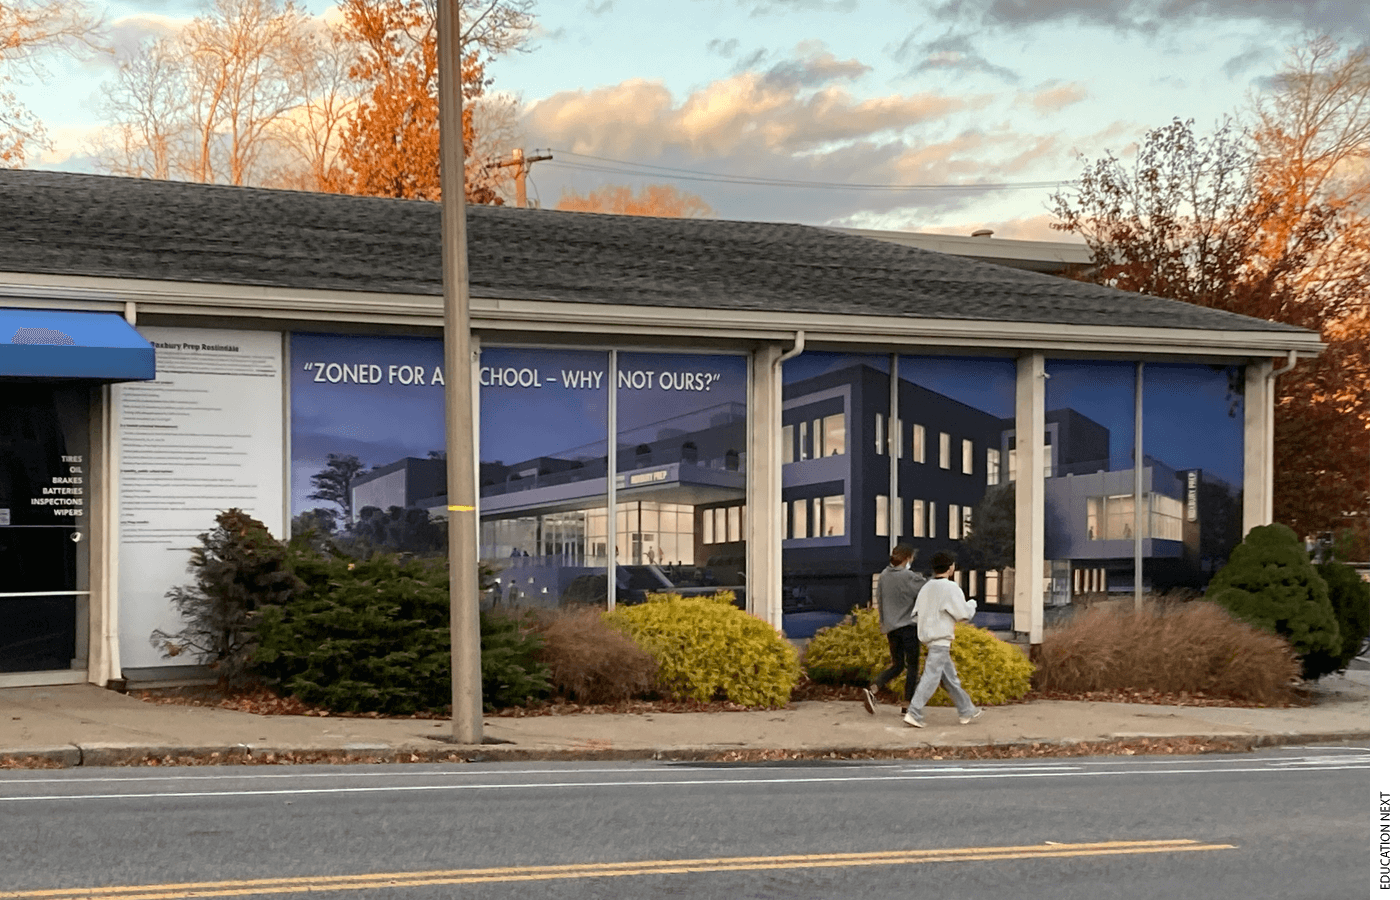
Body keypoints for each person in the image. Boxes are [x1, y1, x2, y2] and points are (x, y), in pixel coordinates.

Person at [903, 551, 982, 728]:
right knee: (931, 677)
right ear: (951, 567)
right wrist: (972, 604)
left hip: (928, 638)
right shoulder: (950, 588)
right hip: (941, 638)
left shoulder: (927, 587)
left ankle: (967, 710)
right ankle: (914, 712)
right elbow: (964, 614)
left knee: (950, 678)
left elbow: (915, 615)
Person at [863, 544, 925, 716]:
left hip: (891, 628)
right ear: (907, 558)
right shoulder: (909, 576)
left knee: (897, 665)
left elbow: (879, 601)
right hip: (908, 628)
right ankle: (907, 704)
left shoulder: (883, 576)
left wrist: (884, 624)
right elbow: (926, 591)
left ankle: (874, 687)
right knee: (912, 667)